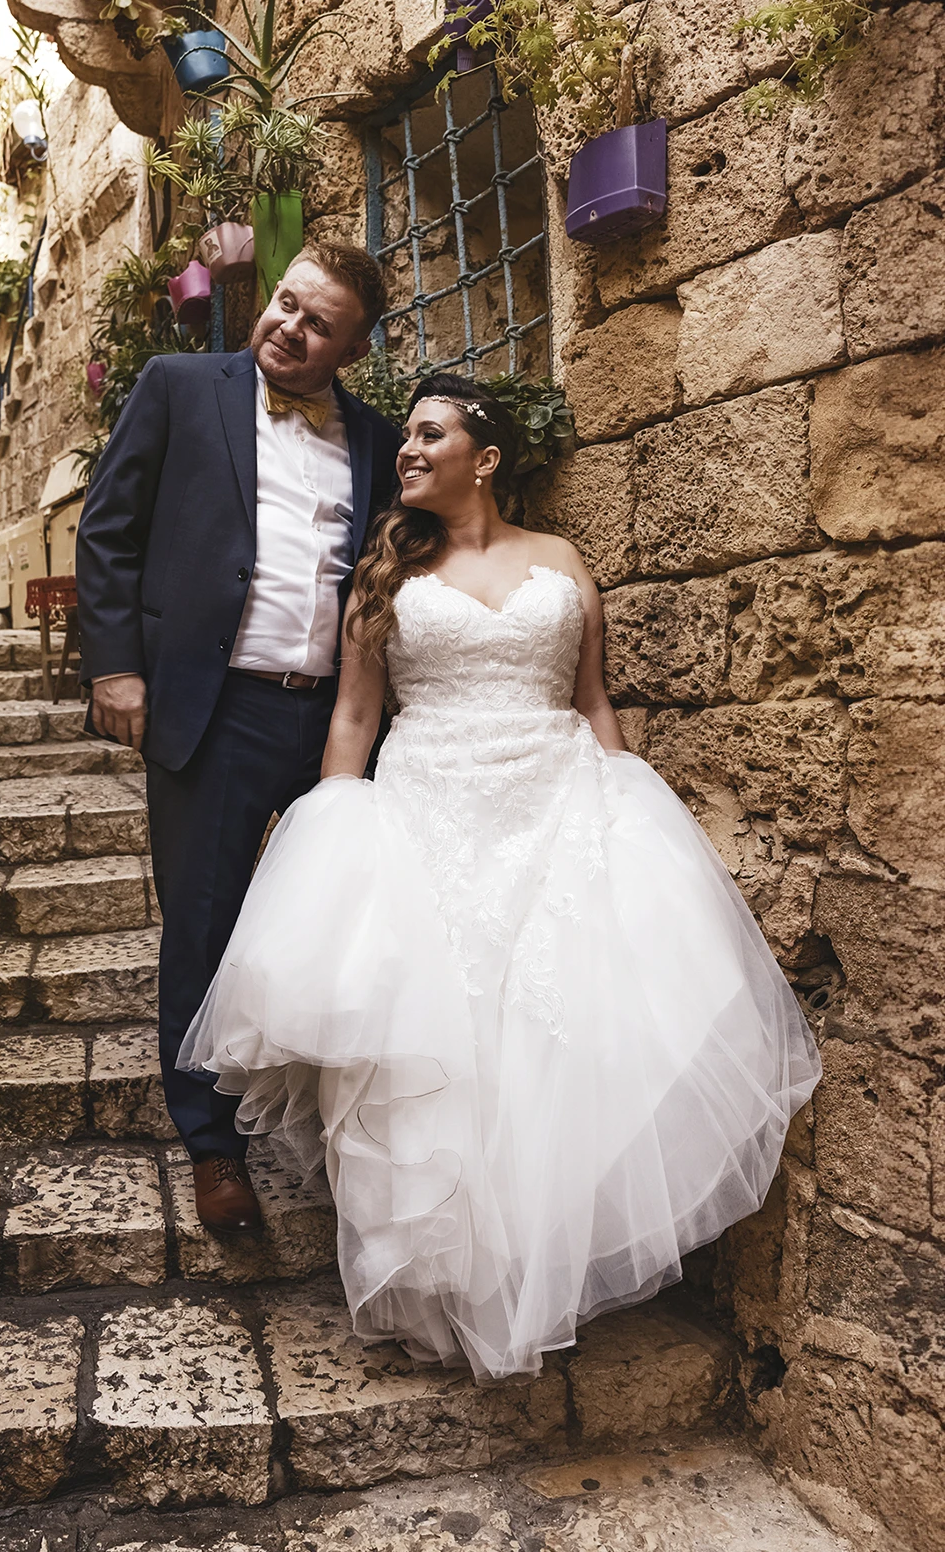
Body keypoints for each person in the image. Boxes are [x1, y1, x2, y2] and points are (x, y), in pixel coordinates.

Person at [180, 372, 822, 1381]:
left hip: (557, 800)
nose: (407, 450)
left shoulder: (561, 560)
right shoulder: (384, 573)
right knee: (439, 1039)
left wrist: (621, 798)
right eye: (405, 438)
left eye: (429, 435)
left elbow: (591, 698)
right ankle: (438, 1270)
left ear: (483, 459)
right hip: (427, 806)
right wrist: (332, 828)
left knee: (550, 1035)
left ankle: (537, 1259)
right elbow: (353, 717)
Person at [75, 241, 401, 1235]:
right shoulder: (178, 386)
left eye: (317, 325)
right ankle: (211, 1147)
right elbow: (108, 530)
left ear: (350, 348)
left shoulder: (379, 442)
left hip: (335, 721)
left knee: (336, 932)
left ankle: (336, 1134)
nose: (288, 330)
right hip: (216, 708)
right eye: (285, 306)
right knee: (205, 923)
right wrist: (115, 667)